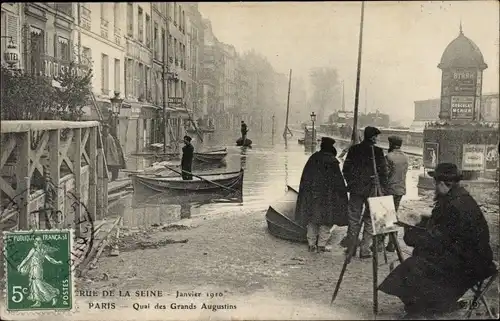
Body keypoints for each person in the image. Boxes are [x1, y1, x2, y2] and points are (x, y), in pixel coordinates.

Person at [379, 163, 495, 318]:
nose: (435, 189)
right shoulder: (462, 198)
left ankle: (421, 309)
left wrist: (410, 232)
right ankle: (434, 305)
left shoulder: (452, 205)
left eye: (435, 185)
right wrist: (424, 222)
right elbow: (447, 231)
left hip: (468, 265)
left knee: (412, 267)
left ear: (441, 184)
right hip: (477, 259)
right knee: (421, 259)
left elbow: (437, 240)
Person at [295, 137, 349, 253]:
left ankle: (311, 244)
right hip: (328, 198)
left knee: (312, 219)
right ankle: (321, 245)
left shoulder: (313, 158)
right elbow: (338, 182)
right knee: (326, 222)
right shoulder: (332, 161)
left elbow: (305, 178)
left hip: (312, 195)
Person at [341, 126, 388, 258]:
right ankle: (365, 249)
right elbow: (384, 173)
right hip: (372, 190)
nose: (377, 139)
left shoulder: (354, 150)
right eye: (377, 136)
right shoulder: (378, 151)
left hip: (356, 190)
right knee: (369, 218)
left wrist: (351, 183)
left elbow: (346, 169)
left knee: (353, 218)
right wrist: (382, 189)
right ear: (373, 137)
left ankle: (351, 248)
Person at [384, 135, 409, 252]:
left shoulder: (388, 157)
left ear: (391, 144)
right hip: (400, 190)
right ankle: (391, 243)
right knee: (393, 215)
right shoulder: (405, 157)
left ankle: (382, 243)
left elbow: (385, 175)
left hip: (389, 190)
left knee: (385, 216)